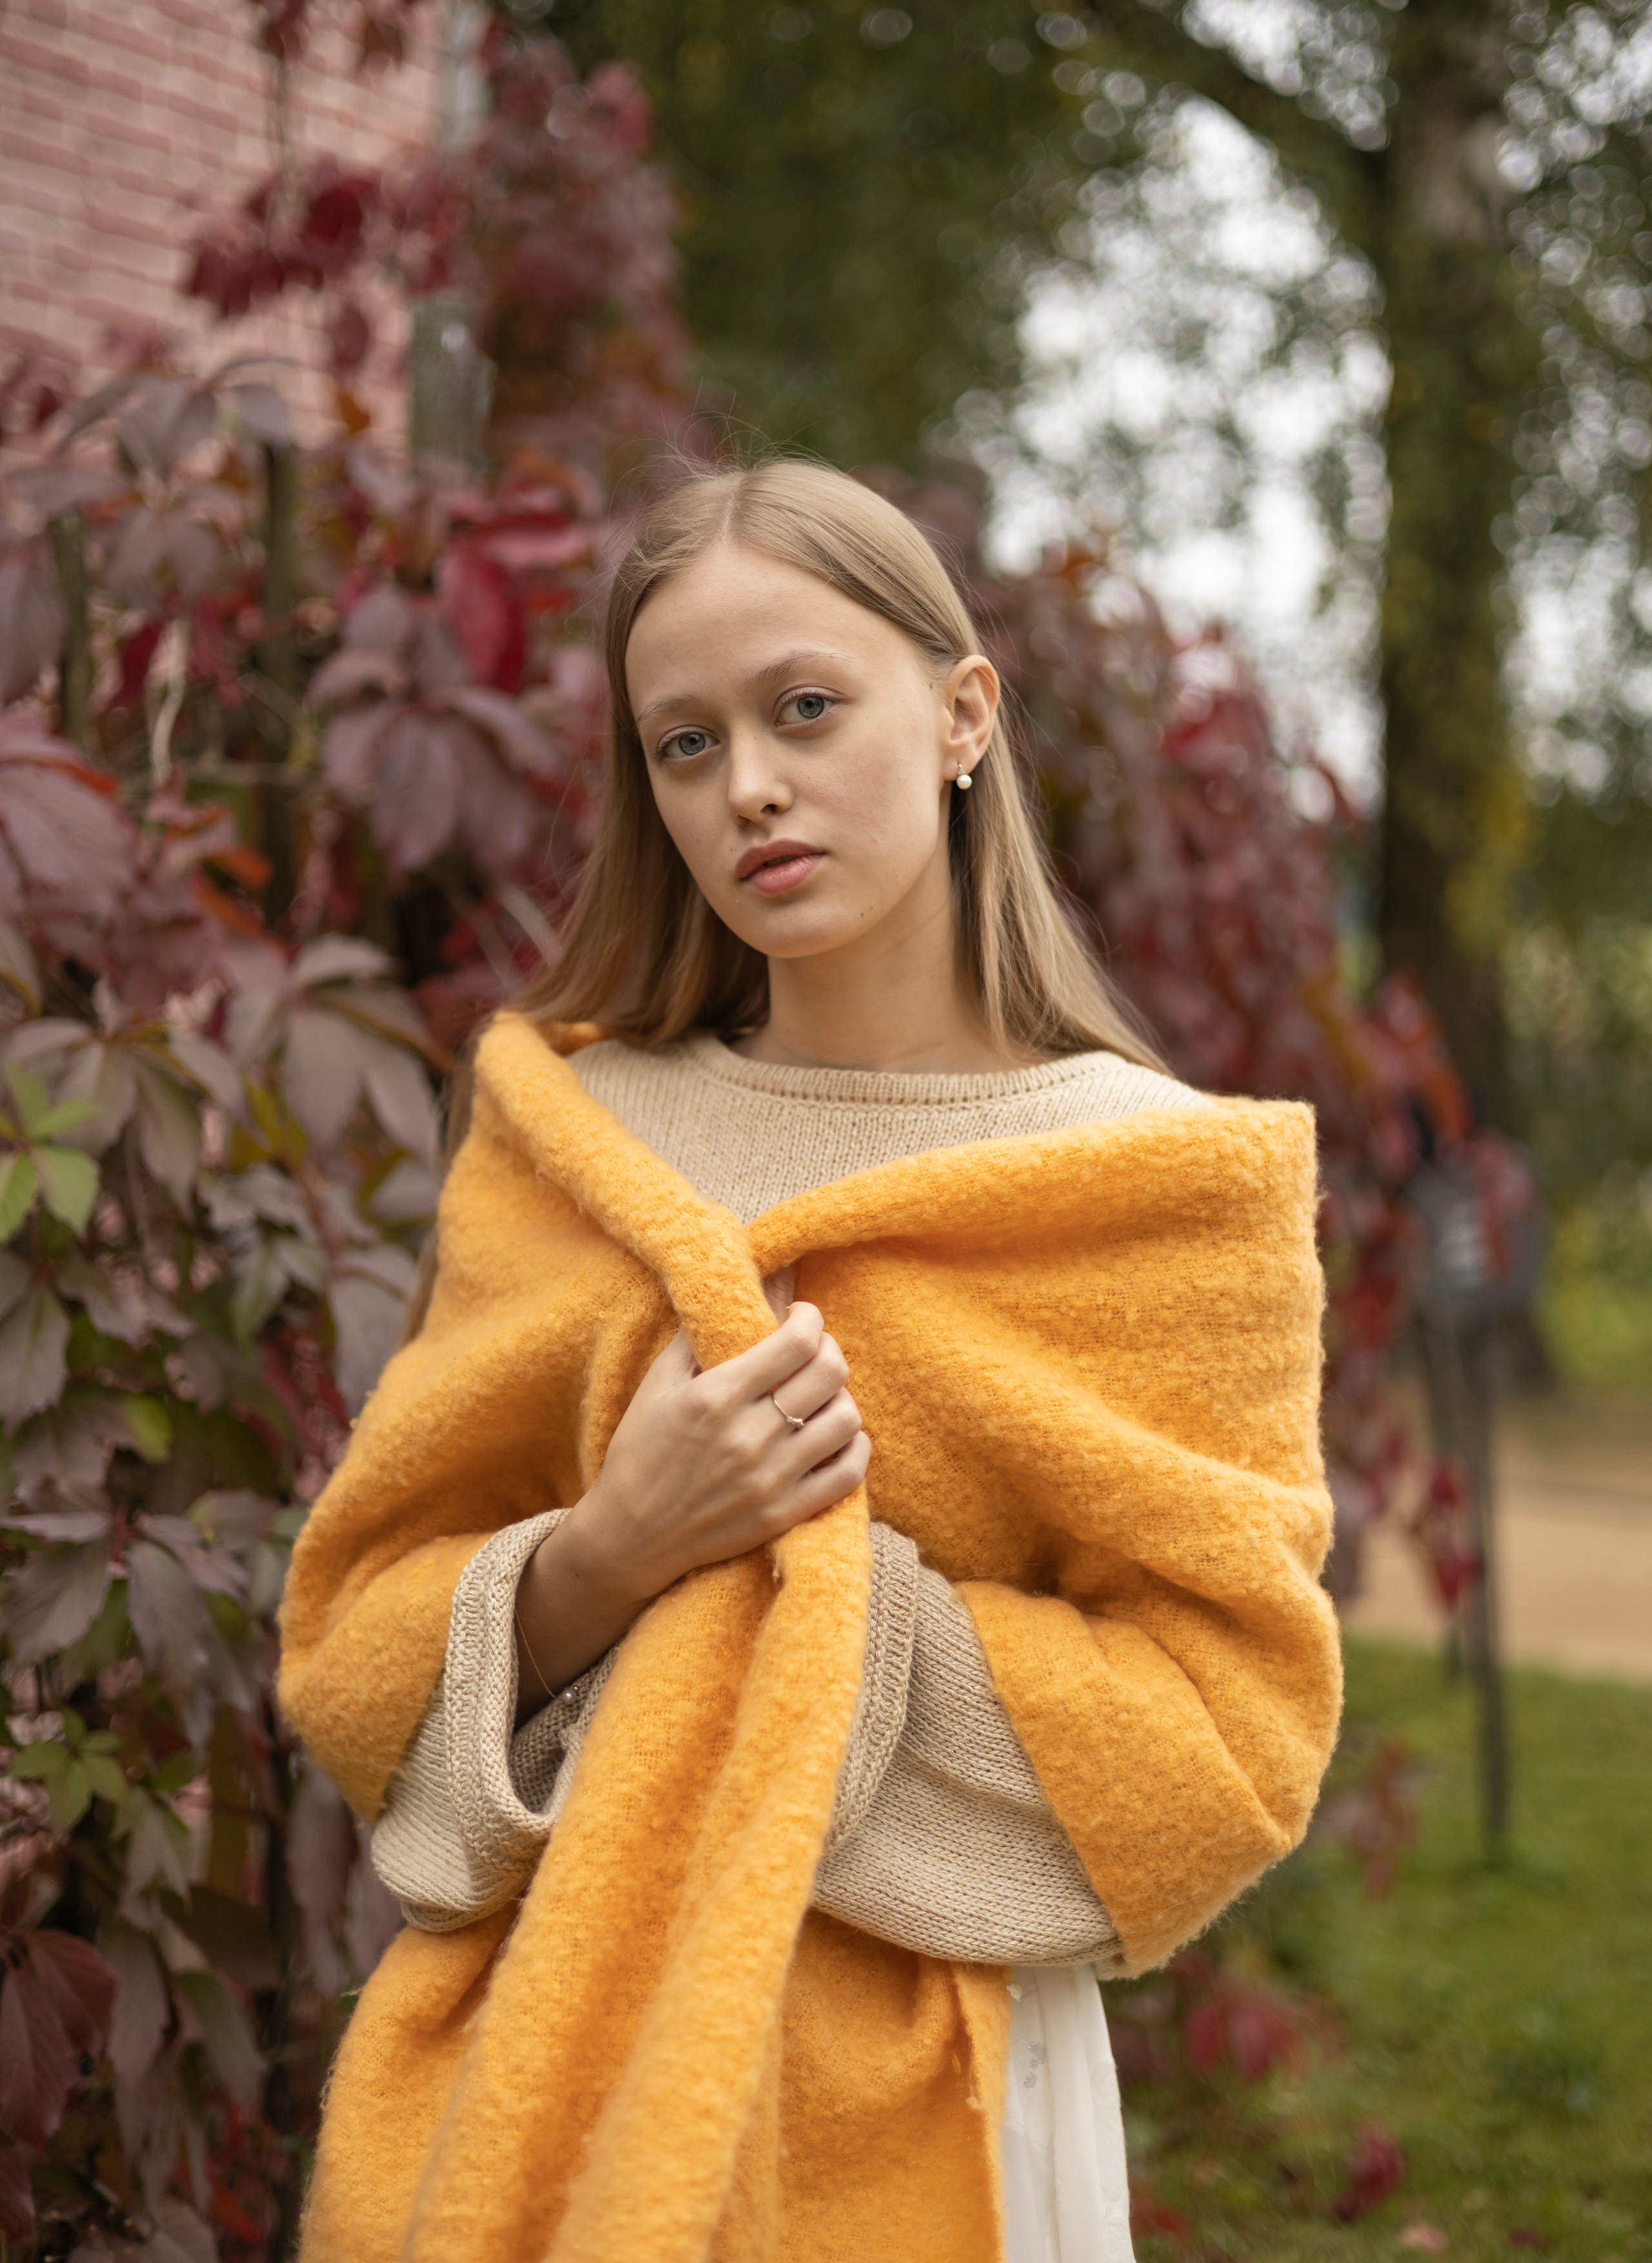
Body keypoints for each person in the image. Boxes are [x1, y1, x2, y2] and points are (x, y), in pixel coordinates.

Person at [279, 459, 1342, 2263]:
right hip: (562, 2056)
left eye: (803, 708)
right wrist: (612, 1551)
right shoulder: (566, 1138)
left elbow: (1226, 1733)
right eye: (683, 746)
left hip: (952, 2073)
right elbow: (356, 1632)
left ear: (959, 714)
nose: (748, 782)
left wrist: (811, 1614)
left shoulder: (1165, 1189)